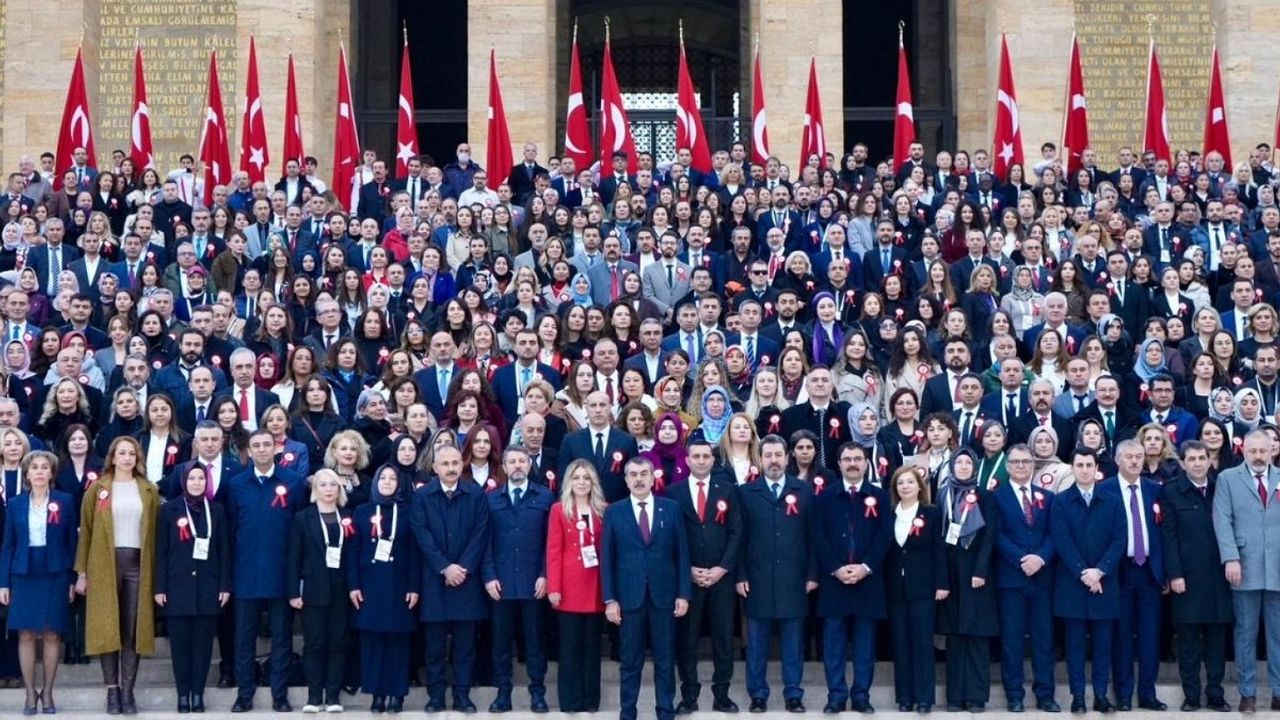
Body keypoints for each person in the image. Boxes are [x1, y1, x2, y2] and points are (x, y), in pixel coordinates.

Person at [74, 436, 160, 715]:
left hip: (138, 564)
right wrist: (82, 573)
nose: (126, 458)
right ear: (112, 457)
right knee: (107, 627)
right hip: (104, 564)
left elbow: (157, 534)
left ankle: (128, 691)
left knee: (132, 629)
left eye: (131, 454)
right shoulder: (98, 489)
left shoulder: (148, 490)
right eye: (121, 453)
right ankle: (112, 691)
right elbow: (85, 533)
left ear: (137, 459)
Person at [600, 456, 690, 720]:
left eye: (644, 474)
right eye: (633, 474)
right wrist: (610, 599)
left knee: (665, 660)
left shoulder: (671, 509)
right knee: (630, 662)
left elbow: (682, 554)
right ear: (626, 479)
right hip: (629, 599)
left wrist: (684, 593)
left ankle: (665, 712)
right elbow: (607, 558)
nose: (639, 479)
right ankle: (628, 712)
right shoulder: (614, 512)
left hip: (664, 598)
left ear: (653, 478)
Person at [226, 429, 306, 714]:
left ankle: (279, 694)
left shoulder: (293, 483)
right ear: (248, 449)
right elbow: (233, 529)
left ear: (276, 448)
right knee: (244, 637)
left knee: (282, 637)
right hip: (246, 572)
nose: (261, 449)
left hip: (282, 573)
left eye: (266, 445)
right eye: (256, 445)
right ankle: (244, 693)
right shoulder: (236, 485)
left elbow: (300, 531)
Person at [811, 441, 893, 714]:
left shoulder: (880, 497)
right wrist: (835, 568)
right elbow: (818, 536)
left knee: (864, 645)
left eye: (858, 459)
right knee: (833, 644)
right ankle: (836, 695)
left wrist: (866, 566)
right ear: (839, 464)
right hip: (835, 582)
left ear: (866, 463)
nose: (853, 463)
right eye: (847, 459)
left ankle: (861, 696)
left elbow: (885, 535)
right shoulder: (825, 496)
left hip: (867, 581)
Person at [737, 434, 815, 713]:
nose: (773, 460)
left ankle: (793, 693)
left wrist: (812, 574)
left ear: (787, 457)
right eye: (767, 455)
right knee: (756, 643)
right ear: (760, 459)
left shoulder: (804, 491)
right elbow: (740, 537)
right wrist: (740, 574)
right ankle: (758, 694)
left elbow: (812, 536)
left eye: (778, 455)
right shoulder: (747, 492)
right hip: (757, 579)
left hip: (794, 578)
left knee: (793, 643)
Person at [410, 445, 490, 713]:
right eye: (445, 463)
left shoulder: (476, 494)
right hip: (435, 581)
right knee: (434, 647)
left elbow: (481, 534)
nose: (451, 468)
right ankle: (436, 696)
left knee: (465, 647)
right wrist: (445, 567)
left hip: (467, 582)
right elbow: (422, 535)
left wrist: (462, 568)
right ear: (435, 467)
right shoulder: (422, 497)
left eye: (456, 462)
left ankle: (462, 695)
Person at [0, 451, 77, 715]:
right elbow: (8, 546)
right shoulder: (16, 503)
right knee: (26, 633)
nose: (40, 472)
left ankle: (49, 693)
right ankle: (30, 693)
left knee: (53, 632)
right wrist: (3, 583)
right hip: (23, 572)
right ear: (27, 473)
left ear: (52, 473)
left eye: (45, 468)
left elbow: (72, 542)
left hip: (56, 571)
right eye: (35, 468)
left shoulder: (65, 501)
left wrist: (73, 578)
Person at [669, 438, 743, 713]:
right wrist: (687, 570)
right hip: (688, 579)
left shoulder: (728, 490)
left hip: (720, 577)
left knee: (723, 638)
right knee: (687, 639)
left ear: (713, 460)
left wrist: (722, 568)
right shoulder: (673, 492)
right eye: (696, 456)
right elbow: (671, 538)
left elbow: (737, 532)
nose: (701, 461)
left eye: (706, 456)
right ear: (686, 460)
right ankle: (689, 695)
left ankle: (721, 694)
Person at [1052, 447, 1126, 714]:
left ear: (1097, 468)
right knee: (1074, 645)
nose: (1084, 470)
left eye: (1088, 465)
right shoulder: (1060, 501)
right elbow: (1062, 541)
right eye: (1079, 465)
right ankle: (1078, 696)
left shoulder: (1112, 500)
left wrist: (1100, 571)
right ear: (1072, 468)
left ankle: (1101, 695)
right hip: (1073, 583)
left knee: (1103, 644)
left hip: (1104, 583)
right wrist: (1084, 572)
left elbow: (1119, 539)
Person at [1212, 428, 1280, 713]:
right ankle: (1247, 693)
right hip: (1244, 566)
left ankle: (1278, 692)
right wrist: (1230, 557)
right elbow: (1222, 518)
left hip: (1277, 566)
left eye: (1263, 450)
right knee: (1246, 634)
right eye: (1253, 451)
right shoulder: (1228, 479)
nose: (1258, 456)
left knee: (1278, 635)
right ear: (1243, 450)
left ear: (1272, 451)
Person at [153, 462, 230, 714]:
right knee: (180, 647)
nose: (196, 483)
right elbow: (161, 552)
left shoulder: (217, 510)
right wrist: (160, 587)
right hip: (177, 588)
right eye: (192, 478)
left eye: (201, 478)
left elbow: (224, 551)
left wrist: (224, 584)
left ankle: (198, 693)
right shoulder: (169, 510)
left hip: (208, 588)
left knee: (203, 647)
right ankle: (183, 694)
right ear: (183, 481)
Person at [1162, 441, 1233, 712]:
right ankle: (1191, 695)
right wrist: (1174, 573)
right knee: (1189, 641)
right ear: (1182, 462)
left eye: (1202, 458)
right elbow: (1168, 536)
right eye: (1191, 459)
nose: (1197, 463)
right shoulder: (1171, 493)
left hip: (1218, 576)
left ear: (1210, 460)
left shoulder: (1222, 489)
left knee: (1216, 640)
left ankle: (1215, 693)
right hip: (1187, 578)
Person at [482, 446, 553, 713]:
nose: (517, 466)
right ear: (503, 467)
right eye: (512, 461)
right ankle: (503, 693)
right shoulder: (491, 500)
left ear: (529, 464)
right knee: (501, 643)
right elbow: (484, 542)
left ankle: (538, 692)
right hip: (500, 584)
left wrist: (546, 574)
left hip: (534, 582)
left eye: (522, 461)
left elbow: (551, 542)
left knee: (535, 642)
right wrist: (488, 576)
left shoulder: (545, 497)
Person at [1101, 439, 1168, 711]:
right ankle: (1124, 693)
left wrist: (1165, 572)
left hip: (1149, 571)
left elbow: (1164, 534)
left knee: (1150, 636)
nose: (1134, 461)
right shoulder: (1104, 490)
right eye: (1128, 456)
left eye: (1139, 456)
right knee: (1122, 636)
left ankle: (1148, 693)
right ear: (1117, 460)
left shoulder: (1155, 490)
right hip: (1119, 571)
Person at [992, 443, 1059, 712]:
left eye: (1026, 462)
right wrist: (1022, 560)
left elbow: (1055, 533)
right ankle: (1014, 695)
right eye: (1016, 462)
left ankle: (1045, 694)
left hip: (1042, 579)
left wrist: (1040, 558)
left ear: (1034, 465)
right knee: (1012, 641)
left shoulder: (1048, 497)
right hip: (1011, 579)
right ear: (1008, 466)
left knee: (1044, 640)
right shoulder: (997, 497)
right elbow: (996, 535)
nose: (1021, 466)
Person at [347, 464, 419, 713]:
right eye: (383, 477)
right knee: (372, 640)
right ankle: (376, 693)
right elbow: (353, 550)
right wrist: (353, 585)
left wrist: (414, 586)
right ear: (376, 481)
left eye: (392, 478)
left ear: (399, 484)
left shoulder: (409, 512)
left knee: (398, 640)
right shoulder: (361, 511)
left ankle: (397, 694)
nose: (387, 482)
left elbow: (414, 551)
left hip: (399, 584)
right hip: (370, 584)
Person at [936, 447, 999, 712]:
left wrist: (981, 571)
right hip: (950, 570)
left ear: (974, 467)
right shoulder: (941, 495)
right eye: (958, 462)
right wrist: (941, 578)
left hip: (976, 573)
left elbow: (990, 536)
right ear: (951, 466)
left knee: (976, 635)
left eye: (967, 462)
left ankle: (975, 696)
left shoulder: (984, 495)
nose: (963, 466)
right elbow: (936, 539)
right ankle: (955, 696)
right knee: (955, 636)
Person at [287, 469, 355, 713]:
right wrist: (293, 591)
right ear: (316, 489)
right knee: (314, 644)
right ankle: (314, 696)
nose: (328, 489)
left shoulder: (347, 517)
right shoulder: (302, 518)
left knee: (338, 642)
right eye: (323, 484)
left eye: (333, 485)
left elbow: (352, 556)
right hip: (313, 590)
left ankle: (334, 696)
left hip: (341, 590)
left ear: (339, 489)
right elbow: (294, 557)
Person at [884, 465, 947, 713]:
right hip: (895, 588)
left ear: (920, 487)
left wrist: (942, 583)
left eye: (910, 482)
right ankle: (905, 697)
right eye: (900, 483)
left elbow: (939, 550)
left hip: (923, 587)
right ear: (895, 488)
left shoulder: (931, 513)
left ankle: (924, 698)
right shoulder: (888, 514)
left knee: (922, 643)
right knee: (900, 643)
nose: (905, 487)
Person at [545, 459, 606, 713]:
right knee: (569, 648)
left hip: (596, 585)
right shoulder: (559, 510)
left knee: (592, 648)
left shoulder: (604, 510)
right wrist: (554, 586)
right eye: (577, 478)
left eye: (586, 478)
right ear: (569, 482)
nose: (581, 483)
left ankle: (591, 701)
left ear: (593, 483)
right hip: (568, 586)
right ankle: (569, 701)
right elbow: (554, 550)